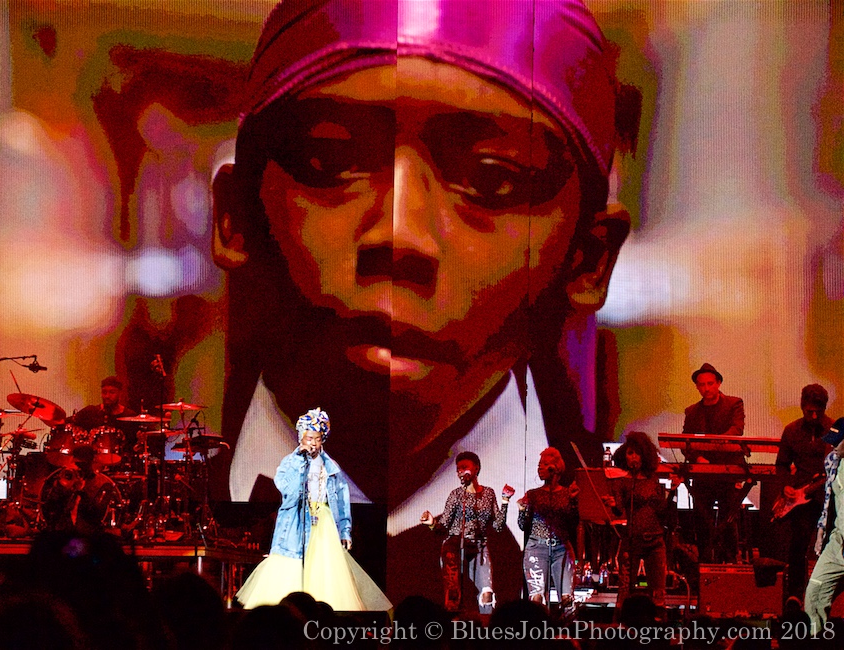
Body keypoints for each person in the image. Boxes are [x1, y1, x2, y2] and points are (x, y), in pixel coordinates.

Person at [212, 0, 640, 603]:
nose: (399, 234)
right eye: (329, 161)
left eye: (493, 179)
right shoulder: (174, 490)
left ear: (589, 260)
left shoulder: (596, 514)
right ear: (234, 216)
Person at [235, 408, 390, 611]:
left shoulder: (331, 467)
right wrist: (299, 462)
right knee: (290, 567)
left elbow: (342, 500)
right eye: (309, 438)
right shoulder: (290, 463)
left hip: (323, 522)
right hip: (295, 523)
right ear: (301, 438)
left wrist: (345, 530)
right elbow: (286, 489)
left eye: (317, 439)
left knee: (324, 570)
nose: (313, 443)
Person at [420, 451, 513, 614]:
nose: (460, 471)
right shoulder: (456, 495)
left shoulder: (488, 493)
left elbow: (498, 526)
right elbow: (443, 526)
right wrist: (432, 523)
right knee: (454, 593)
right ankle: (454, 624)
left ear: (476, 468)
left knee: (487, 593)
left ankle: (487, 626)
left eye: (464, 467)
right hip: (455, 546)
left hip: (479, 546)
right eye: (458, 469)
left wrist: (505, 501)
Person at [603, 431, 677, 617]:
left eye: (637, 453)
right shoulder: (622, 482)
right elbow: (619, 510)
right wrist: (613, 504)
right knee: (625, 591)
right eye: (630, 453)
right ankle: (622, 625)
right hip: (632, 541)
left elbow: (662, 511)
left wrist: (672, 493)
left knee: (658, 592)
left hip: (655, 541)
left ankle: (658, 627)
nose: (633, 457)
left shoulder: (653, 480)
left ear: (645, 456)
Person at [682, 362, 746, 563]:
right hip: (703, 474)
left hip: (728, 471)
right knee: (702, 520)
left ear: (718, 383)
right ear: (697, 387)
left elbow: (737, 430)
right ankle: (704, 563)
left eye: (710, 383)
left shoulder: (734, 404)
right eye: (702, 385)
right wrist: (698, 458)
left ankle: (730, 563)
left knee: (729, 519)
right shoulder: (692, 411)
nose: (706, 388)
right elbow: (685, 442)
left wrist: (715, 444)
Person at [774, 384, 833, 601]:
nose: (814, 416)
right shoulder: (792, 430)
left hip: (830, 498)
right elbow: (782, 464)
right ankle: (795, 595)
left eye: (819, 411)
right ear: (802, 407)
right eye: (810, 411)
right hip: (801, 498)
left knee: (830, 547)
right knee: (798, 545)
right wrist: (786, 485)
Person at [517, 447, 579, 611]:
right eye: (539, 465)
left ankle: (568, 626)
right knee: (536, 598)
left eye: (544, 464)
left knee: (567, 598)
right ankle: (537, 626)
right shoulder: (533, 494)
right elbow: (523, 526)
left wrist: (573, 502)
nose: (540, 468)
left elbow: (573, 524)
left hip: (562, 548)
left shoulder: (567, 494)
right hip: (536, 548)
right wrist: (522, 510)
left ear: (555, 468)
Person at [804, 417, 844, 634]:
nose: (833, 446)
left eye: (838, 442)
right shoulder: (832, 461)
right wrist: (821, 531)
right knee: (814, 595)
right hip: (838, 542)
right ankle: (815, 639)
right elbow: (829, 498)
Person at [71, 376, 138, 466]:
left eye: (112, 392)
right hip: (92, 463)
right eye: (104, 392)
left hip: (120, 463)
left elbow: (134, 444)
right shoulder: (91, 411)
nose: (107, 396)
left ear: (120, 393)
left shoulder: (130, 416)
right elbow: (69, 422)